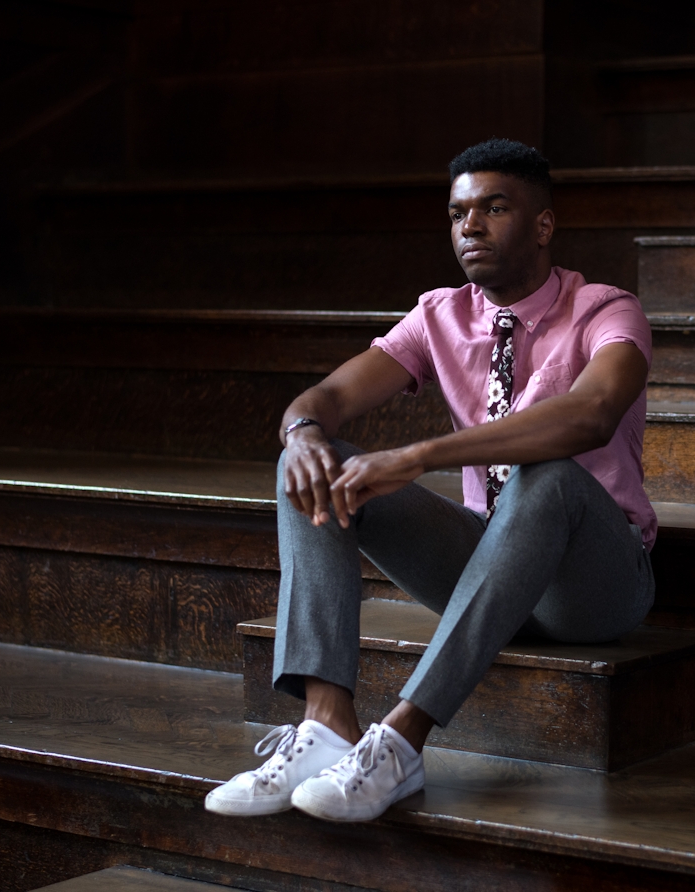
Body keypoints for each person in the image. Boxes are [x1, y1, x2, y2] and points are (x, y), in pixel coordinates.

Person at [205, 138, 657, 823]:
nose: (469, 226)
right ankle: (328, 723)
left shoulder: (605, 310)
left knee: (549, 477)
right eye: (457, 213)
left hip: (593, 586)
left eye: (493, 208)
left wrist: (418, 456)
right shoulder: (440, 315)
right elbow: (322, 400)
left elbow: (591, 415)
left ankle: (402, 743)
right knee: (313, 460)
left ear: (543, 225)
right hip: (490, 563)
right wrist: (300, 435)